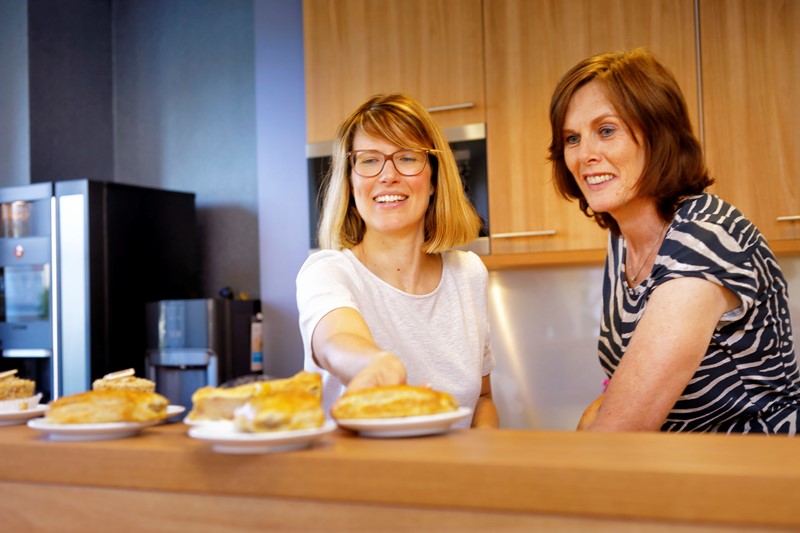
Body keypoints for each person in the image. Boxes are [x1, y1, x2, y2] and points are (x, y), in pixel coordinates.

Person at [548, 48, 800, 434]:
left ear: (657, 133)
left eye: (606, 130)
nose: (585, 155)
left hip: (757, 474)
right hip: (683, 469)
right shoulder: (623, 239)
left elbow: (620, 431)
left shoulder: (704, 238)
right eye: (571, 138)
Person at [296, 93, 499, 429]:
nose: (387, 175)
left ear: (434, 179)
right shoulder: (327, 272)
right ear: (350, 180)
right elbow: (335, 340)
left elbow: (482, 399)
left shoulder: (468, 274)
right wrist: (372, 365)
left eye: (406, 158)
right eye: (369, 160)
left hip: (452, 478)